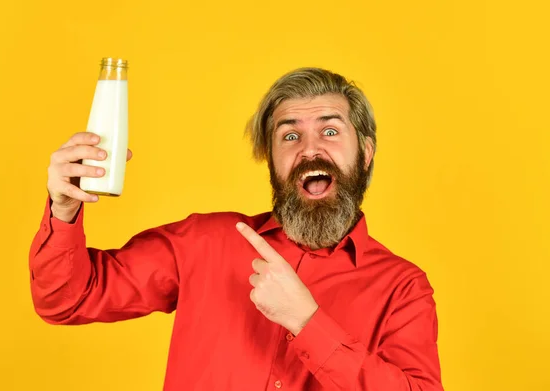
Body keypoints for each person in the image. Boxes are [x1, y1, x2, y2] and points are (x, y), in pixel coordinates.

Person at [29, 67, 443, 390]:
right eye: (290, 135)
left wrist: (307, 322)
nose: (309, 149)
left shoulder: (403, 288)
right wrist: (63, 209)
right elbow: (66, 299)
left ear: (365, 152)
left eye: (330, 131)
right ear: (270, 160)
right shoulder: (205, 244)